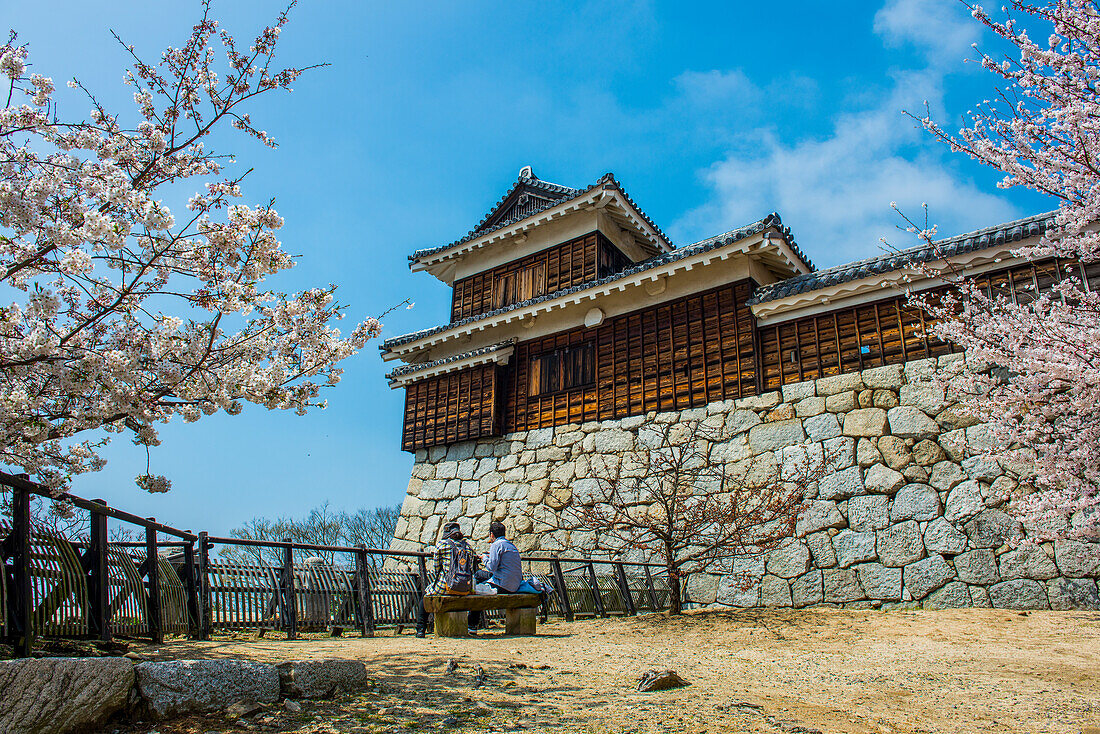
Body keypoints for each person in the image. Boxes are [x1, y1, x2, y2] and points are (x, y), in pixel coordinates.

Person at [415, 521, 478, 638]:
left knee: (425, 597)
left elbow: (436, 567)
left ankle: (420, 629)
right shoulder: (468, 547)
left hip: (447, 586)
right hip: (465, 588)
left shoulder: (442, 545)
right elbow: (471, 567)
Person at [467, 521, 522, 635]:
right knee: (479, 576)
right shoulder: (511, 545)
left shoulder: (496, 545)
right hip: (515, 584)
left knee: (477, 591)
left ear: (492, 534)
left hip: (503, 584)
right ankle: (475, 620)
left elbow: (491, 567)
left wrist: (484, 558)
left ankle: (472, 624)